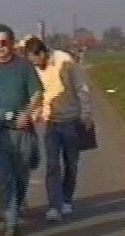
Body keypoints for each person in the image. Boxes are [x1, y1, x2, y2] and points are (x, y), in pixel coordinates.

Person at [0, 24, 43, 236]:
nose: (0, 47)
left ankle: (17, 203)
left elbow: (37, 95)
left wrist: (27, 113)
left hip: (21, 128)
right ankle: (11, 221)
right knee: (4, 176)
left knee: (21, 174)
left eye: (4, 43)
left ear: (12, 44)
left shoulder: (25, 67)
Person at [24, 36, 93, 222]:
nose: (35, 65)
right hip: (51, 122)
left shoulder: (65, 61)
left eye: (36, 60)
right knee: (52, 165)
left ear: (42, 53)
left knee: (71, 164)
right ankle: (54, 205)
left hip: (72, 120)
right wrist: (34, 115)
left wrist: (86, 113)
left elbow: (81, 86)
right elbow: (38, 94)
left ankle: (66, 199)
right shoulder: (35, 70)